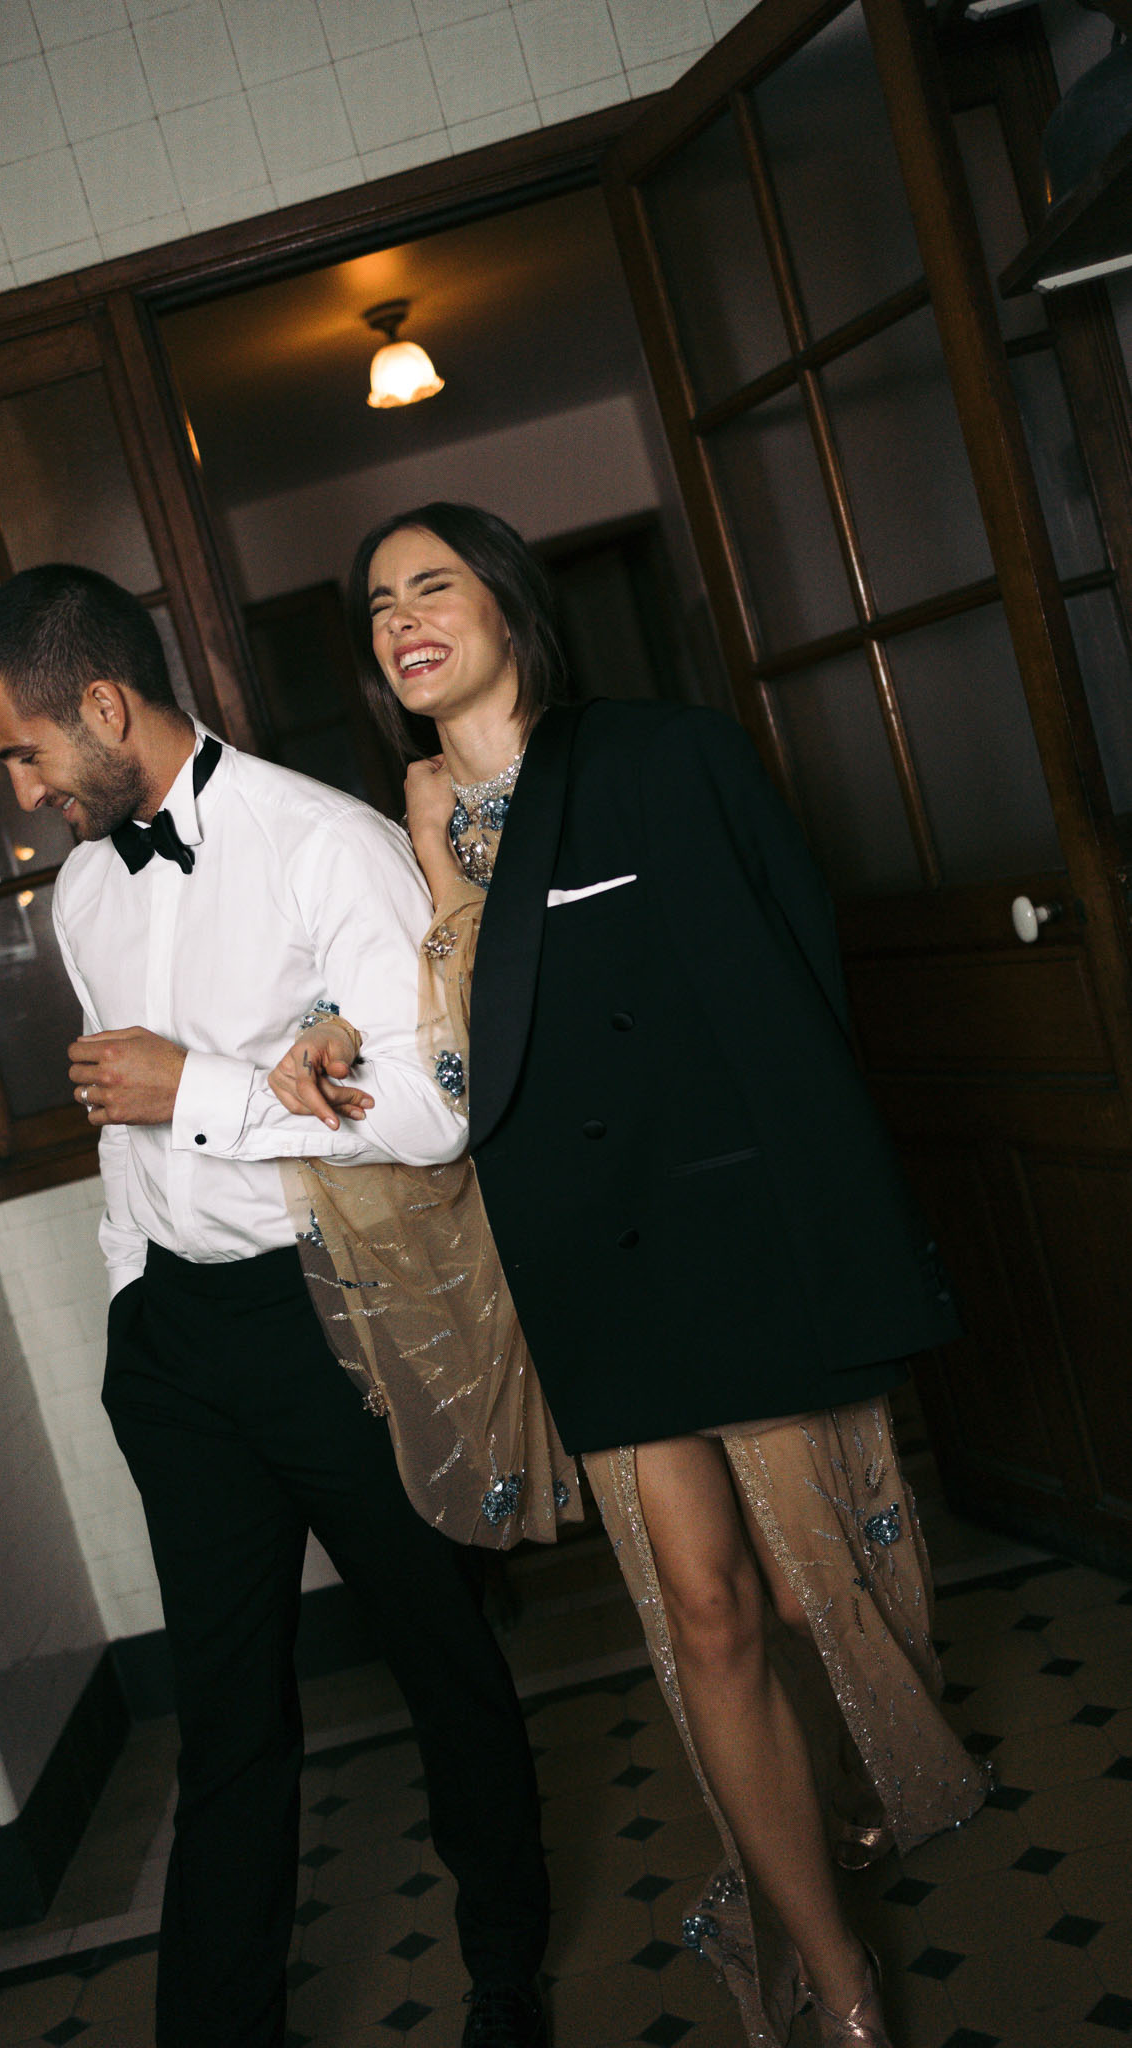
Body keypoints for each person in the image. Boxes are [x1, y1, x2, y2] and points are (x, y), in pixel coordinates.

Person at [270, 504, 991, 2048]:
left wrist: (833, 1227)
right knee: (708, 1615)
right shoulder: (397, 819)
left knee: (812, 1596)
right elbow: (418, 1016)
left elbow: (795, 977)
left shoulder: (662, 754)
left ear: (509, 605)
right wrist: (329, 1028)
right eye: (377, 600)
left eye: (432, 584)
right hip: (581, 1265)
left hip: (730, 1242)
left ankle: (859, 1790)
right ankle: (835, 1969)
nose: (400, 615)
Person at [0, 563, 554, 2048]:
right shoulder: (86, 893)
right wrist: (126, 1302)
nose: (20, 794)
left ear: (103, 705)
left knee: (440, 1657)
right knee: (225, 1716)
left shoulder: (323, 846)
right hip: (174, 1345)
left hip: (329, 1318)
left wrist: (200, 1090)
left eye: (22, 753)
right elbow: (118, 1122)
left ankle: (506, 1975)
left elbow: (430, 1110)